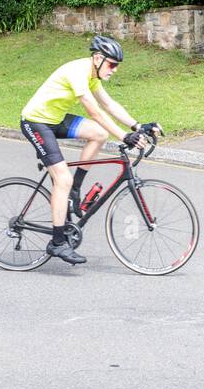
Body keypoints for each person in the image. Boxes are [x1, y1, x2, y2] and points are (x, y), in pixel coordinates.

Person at [20, 35, 160, 265]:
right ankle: (56, 243)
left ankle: (75, 190)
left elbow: (109, 104)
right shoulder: (77, 72)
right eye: (112, 64)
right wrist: (124, 136)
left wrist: (137, 125)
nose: (114, 70)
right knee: (61, 179)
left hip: (55, 119)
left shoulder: (93, 76)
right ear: (97, 58)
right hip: (36, 122)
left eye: (117, 66)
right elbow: (95, 112)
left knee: (99, 134)